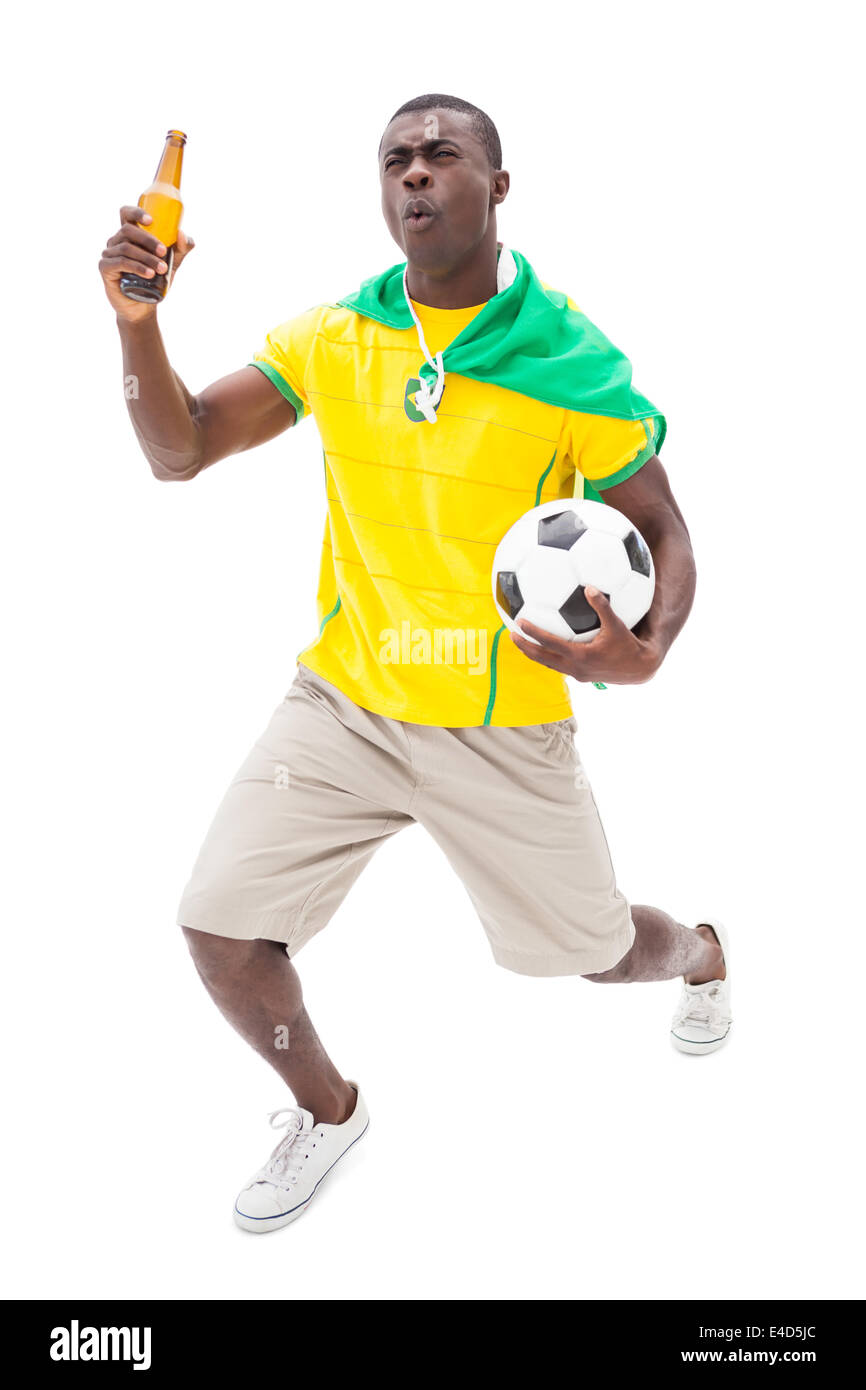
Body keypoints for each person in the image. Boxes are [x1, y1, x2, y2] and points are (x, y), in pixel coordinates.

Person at [99, 93, 732, 1235]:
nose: (415, 173)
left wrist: (648, 650)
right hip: (343, 707)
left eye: (443, 155)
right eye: (395, 158)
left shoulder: (567, 359)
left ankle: (698, 950)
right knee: (217, 927)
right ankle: (328, 1110)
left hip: (496, 724)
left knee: (590, 958)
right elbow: (178, 451)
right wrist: (137, 324)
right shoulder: (336, 339)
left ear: (497, 187)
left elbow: (665, 528)